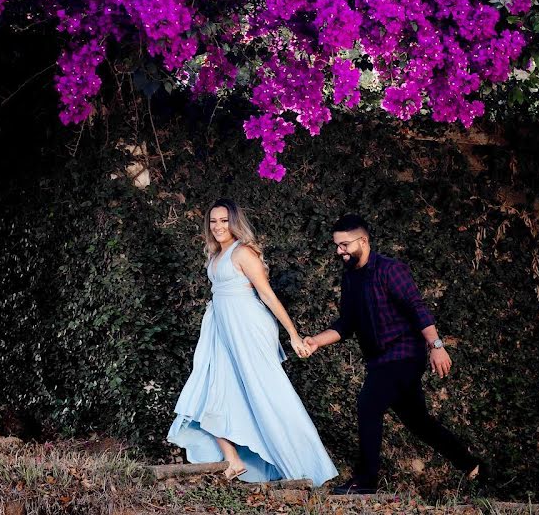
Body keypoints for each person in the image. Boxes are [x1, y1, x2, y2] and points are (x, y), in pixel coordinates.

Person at [303, 214, 484, 495]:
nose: (340, 251)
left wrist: (436, 347)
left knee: (368, 406)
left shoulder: (390, 270)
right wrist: (316, 341)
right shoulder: (350, 277)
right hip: (379, 361)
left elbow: (416, 307)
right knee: (418, 421)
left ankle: (365, 483)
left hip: (403, 354)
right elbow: (346, 324)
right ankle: (472, 465)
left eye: (345, 245)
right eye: (337, 246)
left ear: (363, 241)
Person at [168, 198, 338, 485]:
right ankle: (233, 460)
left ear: (234, 223)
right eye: (213, 221)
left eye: (224, 221)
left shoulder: (243, 253)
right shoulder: (215, 254)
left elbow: (267, 296)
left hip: (248, 328)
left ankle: (308, 467)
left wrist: (293, 334)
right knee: (210, 390)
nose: (218, 226)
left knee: (267, 394)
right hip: (221, 331)